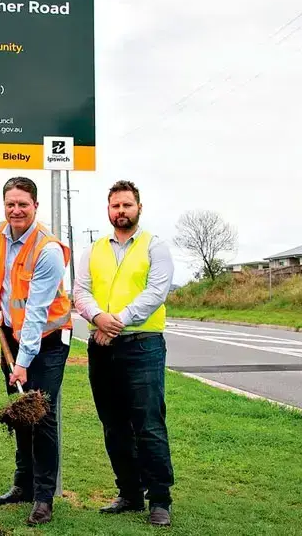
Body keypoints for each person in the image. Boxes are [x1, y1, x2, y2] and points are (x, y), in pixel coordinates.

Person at [73, 179, 176, 527]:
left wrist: (116, 321)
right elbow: (81, 292)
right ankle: (129, 493)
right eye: (115, 206)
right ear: (108, 210)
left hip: (142, 345)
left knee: (148, 424)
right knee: (113, 426)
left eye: (127, 205)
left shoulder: (154, 247)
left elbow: (156, 292)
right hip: (101, 347)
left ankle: (159, 499)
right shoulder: (94, 249)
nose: (121, 211)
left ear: (139, 208)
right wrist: (97, 318)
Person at [0, 176, 73, 527]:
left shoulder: (47, 249)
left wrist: (21, 363)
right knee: (19, 414)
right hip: (13, 335)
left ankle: (44, 498)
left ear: (35, 206)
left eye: (23, 204)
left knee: (41, 416)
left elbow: (35, 311)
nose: (16, 210)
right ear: (4, 206)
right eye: (10, 204)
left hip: (47, 340)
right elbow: (4, 280)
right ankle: (23, 484)